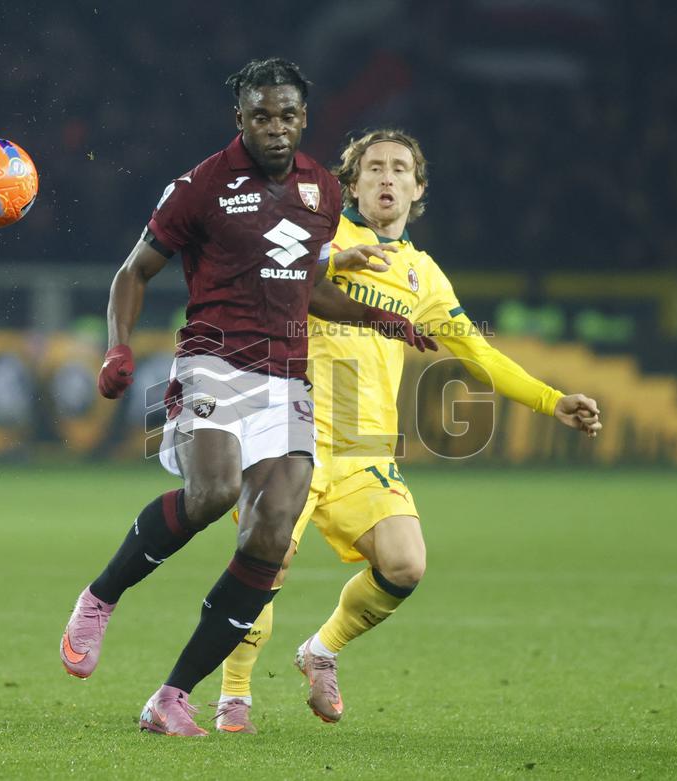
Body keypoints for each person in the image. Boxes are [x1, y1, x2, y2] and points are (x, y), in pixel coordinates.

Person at [58, 62, 435, 738]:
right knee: (215, 493)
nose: (276, 127)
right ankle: (100, 596)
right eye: (262, 116)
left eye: (288, 115)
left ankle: (172, 695)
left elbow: (302, 285)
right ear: (241, 118)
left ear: (303, 118)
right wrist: (116, 348)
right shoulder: (200, 186)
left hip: (287, 378)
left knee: (269, 537)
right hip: (213, 363)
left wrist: (379, 318)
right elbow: (132, 272)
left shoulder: (320, 190)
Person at [213, 129, 602, 733]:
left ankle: (321, 650)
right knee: (269, 562)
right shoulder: (319, 233)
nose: (387, 178)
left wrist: (553, 402)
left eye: (400, 169)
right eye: (373, 169)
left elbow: (479, 355)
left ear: (419, 189)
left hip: (364, 452)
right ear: (352, 183)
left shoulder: (424, 276)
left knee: (405, 564)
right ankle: (233, 695)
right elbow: (256, 271)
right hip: (288, 436)